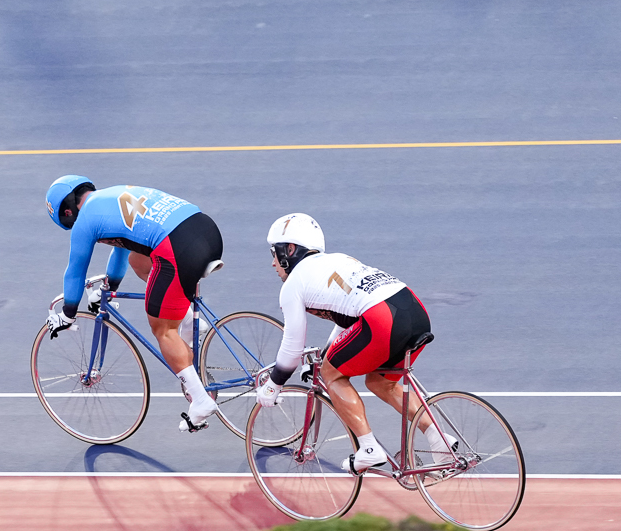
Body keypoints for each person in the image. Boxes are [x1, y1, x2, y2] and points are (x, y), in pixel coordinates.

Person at [254, 213, 446, 474]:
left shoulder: (293, 285)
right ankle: (440, 442)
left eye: (274, 253)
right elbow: (349, 318)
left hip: (381, 318)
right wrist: (326, 353)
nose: (273, 263)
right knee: (380, 383)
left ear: (290, 250)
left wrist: (274, 384)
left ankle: (368, 448)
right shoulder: (337, 259)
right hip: (413, 309)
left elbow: (292, 345)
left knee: (331, 375)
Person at [43, 175, 224, 432]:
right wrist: (110, 287)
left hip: (177, 247)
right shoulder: (111, 196)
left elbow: (75, 270)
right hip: (204, 228)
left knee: (162, 328)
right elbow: (122, 250)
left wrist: (68, 313)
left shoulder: (85, 220)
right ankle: (185, 319)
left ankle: (201, 401)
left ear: (67, 213)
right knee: (139, 261)